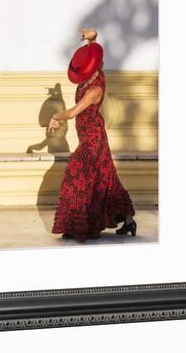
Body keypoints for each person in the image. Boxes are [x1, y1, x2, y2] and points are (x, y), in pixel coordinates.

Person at [49, 27, 136, 242]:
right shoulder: (89, 78)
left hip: (93, 138)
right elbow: (91, 56)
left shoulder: (94, 90)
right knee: (105, 178)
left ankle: (81, 225)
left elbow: (73, 112)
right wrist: (92, 39)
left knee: (76, 174)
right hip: (89, 136)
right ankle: (128, 220)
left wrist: (56, 117)